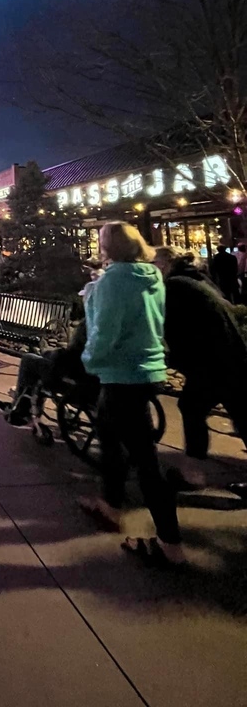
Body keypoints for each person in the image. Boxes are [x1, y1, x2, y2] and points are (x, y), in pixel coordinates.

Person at [77, 222, 184, 567]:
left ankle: (170, 543)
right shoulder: (153, 277)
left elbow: (105, 331)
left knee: (145, 461)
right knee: (110, 440)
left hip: (121, 374)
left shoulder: (111, 281)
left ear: (109, 247)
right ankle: (110, 504)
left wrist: (89, 359)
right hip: (147, 368)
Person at [152, 246, 247, 490]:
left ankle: (192, 473)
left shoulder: (175, 287)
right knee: (240, 413)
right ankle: (192, 470)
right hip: (231, 354)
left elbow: (171, 329)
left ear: (162, 265)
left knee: (192, 407)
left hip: (212, 361)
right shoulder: (197, 279)